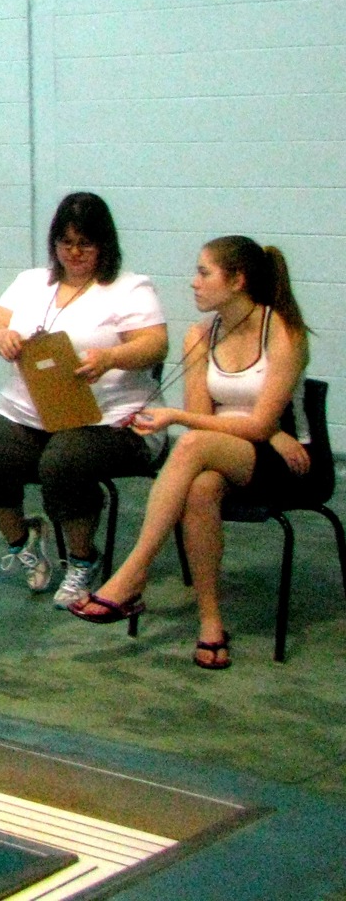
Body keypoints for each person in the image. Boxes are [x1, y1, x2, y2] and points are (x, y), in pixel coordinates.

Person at [70, 237, 322, 670]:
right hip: (226, 452)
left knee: (190, 443)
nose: (193, 283)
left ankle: (133, 574)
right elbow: (202, 417)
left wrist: (262, 431)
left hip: (289, 462)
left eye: (204, 272)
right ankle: (211, 624)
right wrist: (240, 425)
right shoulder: (200, 335)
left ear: (238, 280)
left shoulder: (282, 330)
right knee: (201, 487)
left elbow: (255, 425)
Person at [0, 192, 168, 606]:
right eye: (66, 243)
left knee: (64, 461)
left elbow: (155, 345)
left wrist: (111, 357)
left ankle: (82, 558)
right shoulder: (30, 282)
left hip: (109, 421)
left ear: (104, 245)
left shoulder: (130, 289)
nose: (74, 253)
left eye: (85, 244)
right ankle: (22, 541)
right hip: (29, 413)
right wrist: (0, 337)